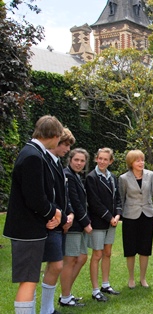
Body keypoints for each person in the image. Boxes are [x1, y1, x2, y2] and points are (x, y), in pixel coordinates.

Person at [3, 115, 63, 314]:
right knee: (28, 281)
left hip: (31, 228)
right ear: (54, 135)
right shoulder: (32, 156)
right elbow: (35, 198)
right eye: (59, 138)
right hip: (26, 229)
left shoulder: (35, 153)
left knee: (31, 279)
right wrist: (53, 213)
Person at [40, 127, 76, 314]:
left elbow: (64, 197)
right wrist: (58, 216)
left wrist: (69, 214)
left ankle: (48, 308)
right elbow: (46, 196)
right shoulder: (46, 163)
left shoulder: (57, 165)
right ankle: (46, 309)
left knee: (55, 265)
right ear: (57, 142)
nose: (68, 149)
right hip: (51, 223)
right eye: (66, 145)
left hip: (61, 221)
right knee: (56, 265)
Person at [85, 147, 122, 302]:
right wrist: (109, 217)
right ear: (96, 159)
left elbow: (118, 199)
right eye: (100, 158)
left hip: (112, 222)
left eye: (105, 159)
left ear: (110, 161)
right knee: (97, 254)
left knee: (107, 253)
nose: (102, 161)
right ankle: (95, 290)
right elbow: (94, 203)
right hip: (99, 222)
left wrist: (118, 215)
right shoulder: (91, 177)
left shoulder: (113, 177)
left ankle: (105, 284)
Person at [59, 148, 92, 307]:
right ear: (70, 160)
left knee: (82, 257)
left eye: (82, 161)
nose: (79, 163)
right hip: (73, 225)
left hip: (80, 225)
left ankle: (66, 293)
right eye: (76, 160)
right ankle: (65, 297)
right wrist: (86, 222)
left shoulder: (77, 176)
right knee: (70, 260)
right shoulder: (67, 175)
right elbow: (74, 202)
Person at [118, 149, 153, 289]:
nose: (141, 162)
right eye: (137, 160)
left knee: (145, 248)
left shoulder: (150, 175)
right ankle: (131, 278)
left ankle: (143, 278)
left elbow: (149, 192)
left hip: (147, 214)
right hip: (130, 216)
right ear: (131, 163)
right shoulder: (123, 178)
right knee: (130, 248)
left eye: (142, 159)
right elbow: (122, 197)